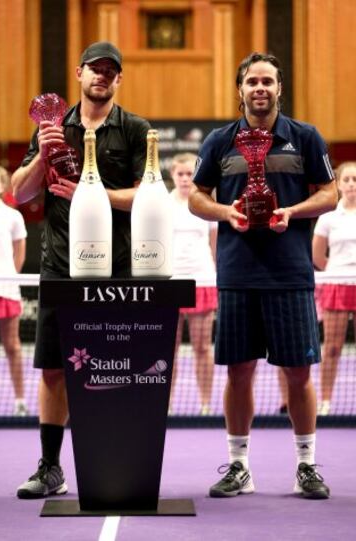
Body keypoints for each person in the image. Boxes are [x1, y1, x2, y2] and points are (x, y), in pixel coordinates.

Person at [189, 52, 338, 499]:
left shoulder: (305, 137)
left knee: (298, 373)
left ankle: (307, 466)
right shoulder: (219, 141)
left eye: (268, 82)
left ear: (279, 89)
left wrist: (292, 212)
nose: (260, 88)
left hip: (290, 273)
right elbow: (197, 197)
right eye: (252, 81)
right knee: (238, 373)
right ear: (240, 89)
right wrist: (224, 212)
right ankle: (239, 466)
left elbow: (330, 192)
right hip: (236, 273)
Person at [12, 41, 151, 499]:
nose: (102, 77)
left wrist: (91, 195)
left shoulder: (134, 128)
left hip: (116, 271)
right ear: (79, 73)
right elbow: (20, 192)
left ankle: (116, 463)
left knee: (114, 369)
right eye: (95, 69)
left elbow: (146, 195)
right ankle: (51, 467)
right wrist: (42, 155)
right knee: (54, 370)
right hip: (58, 266)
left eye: (111, 71)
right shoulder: (53, 127)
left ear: (119, 79)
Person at [168, 153, 217, 416]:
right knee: (168, 349)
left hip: (202, 280)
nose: (186, 179)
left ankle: (206, 404)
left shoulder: (205, 204)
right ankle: (167, 403)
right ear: (173, 176)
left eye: (190, 174)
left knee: (201, 347)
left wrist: (214, 275)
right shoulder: (163, 204)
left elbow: (214, 245)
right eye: (181, 174)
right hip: (172, 283)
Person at [312, 161, 356, 415]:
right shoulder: (328, 216)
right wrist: (338, 270)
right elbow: (317, 256)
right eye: (347, 180)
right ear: (338, 185)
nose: (351, 184)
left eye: (355, 180)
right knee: (332, 347)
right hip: (336, 284)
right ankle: (326, 401)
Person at [0, 164, 28, 416]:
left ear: (2, 186)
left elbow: (19, 254)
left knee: (13, 346)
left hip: (6, 288)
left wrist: (9, 278)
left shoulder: (13, 216)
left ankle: (19, 401)